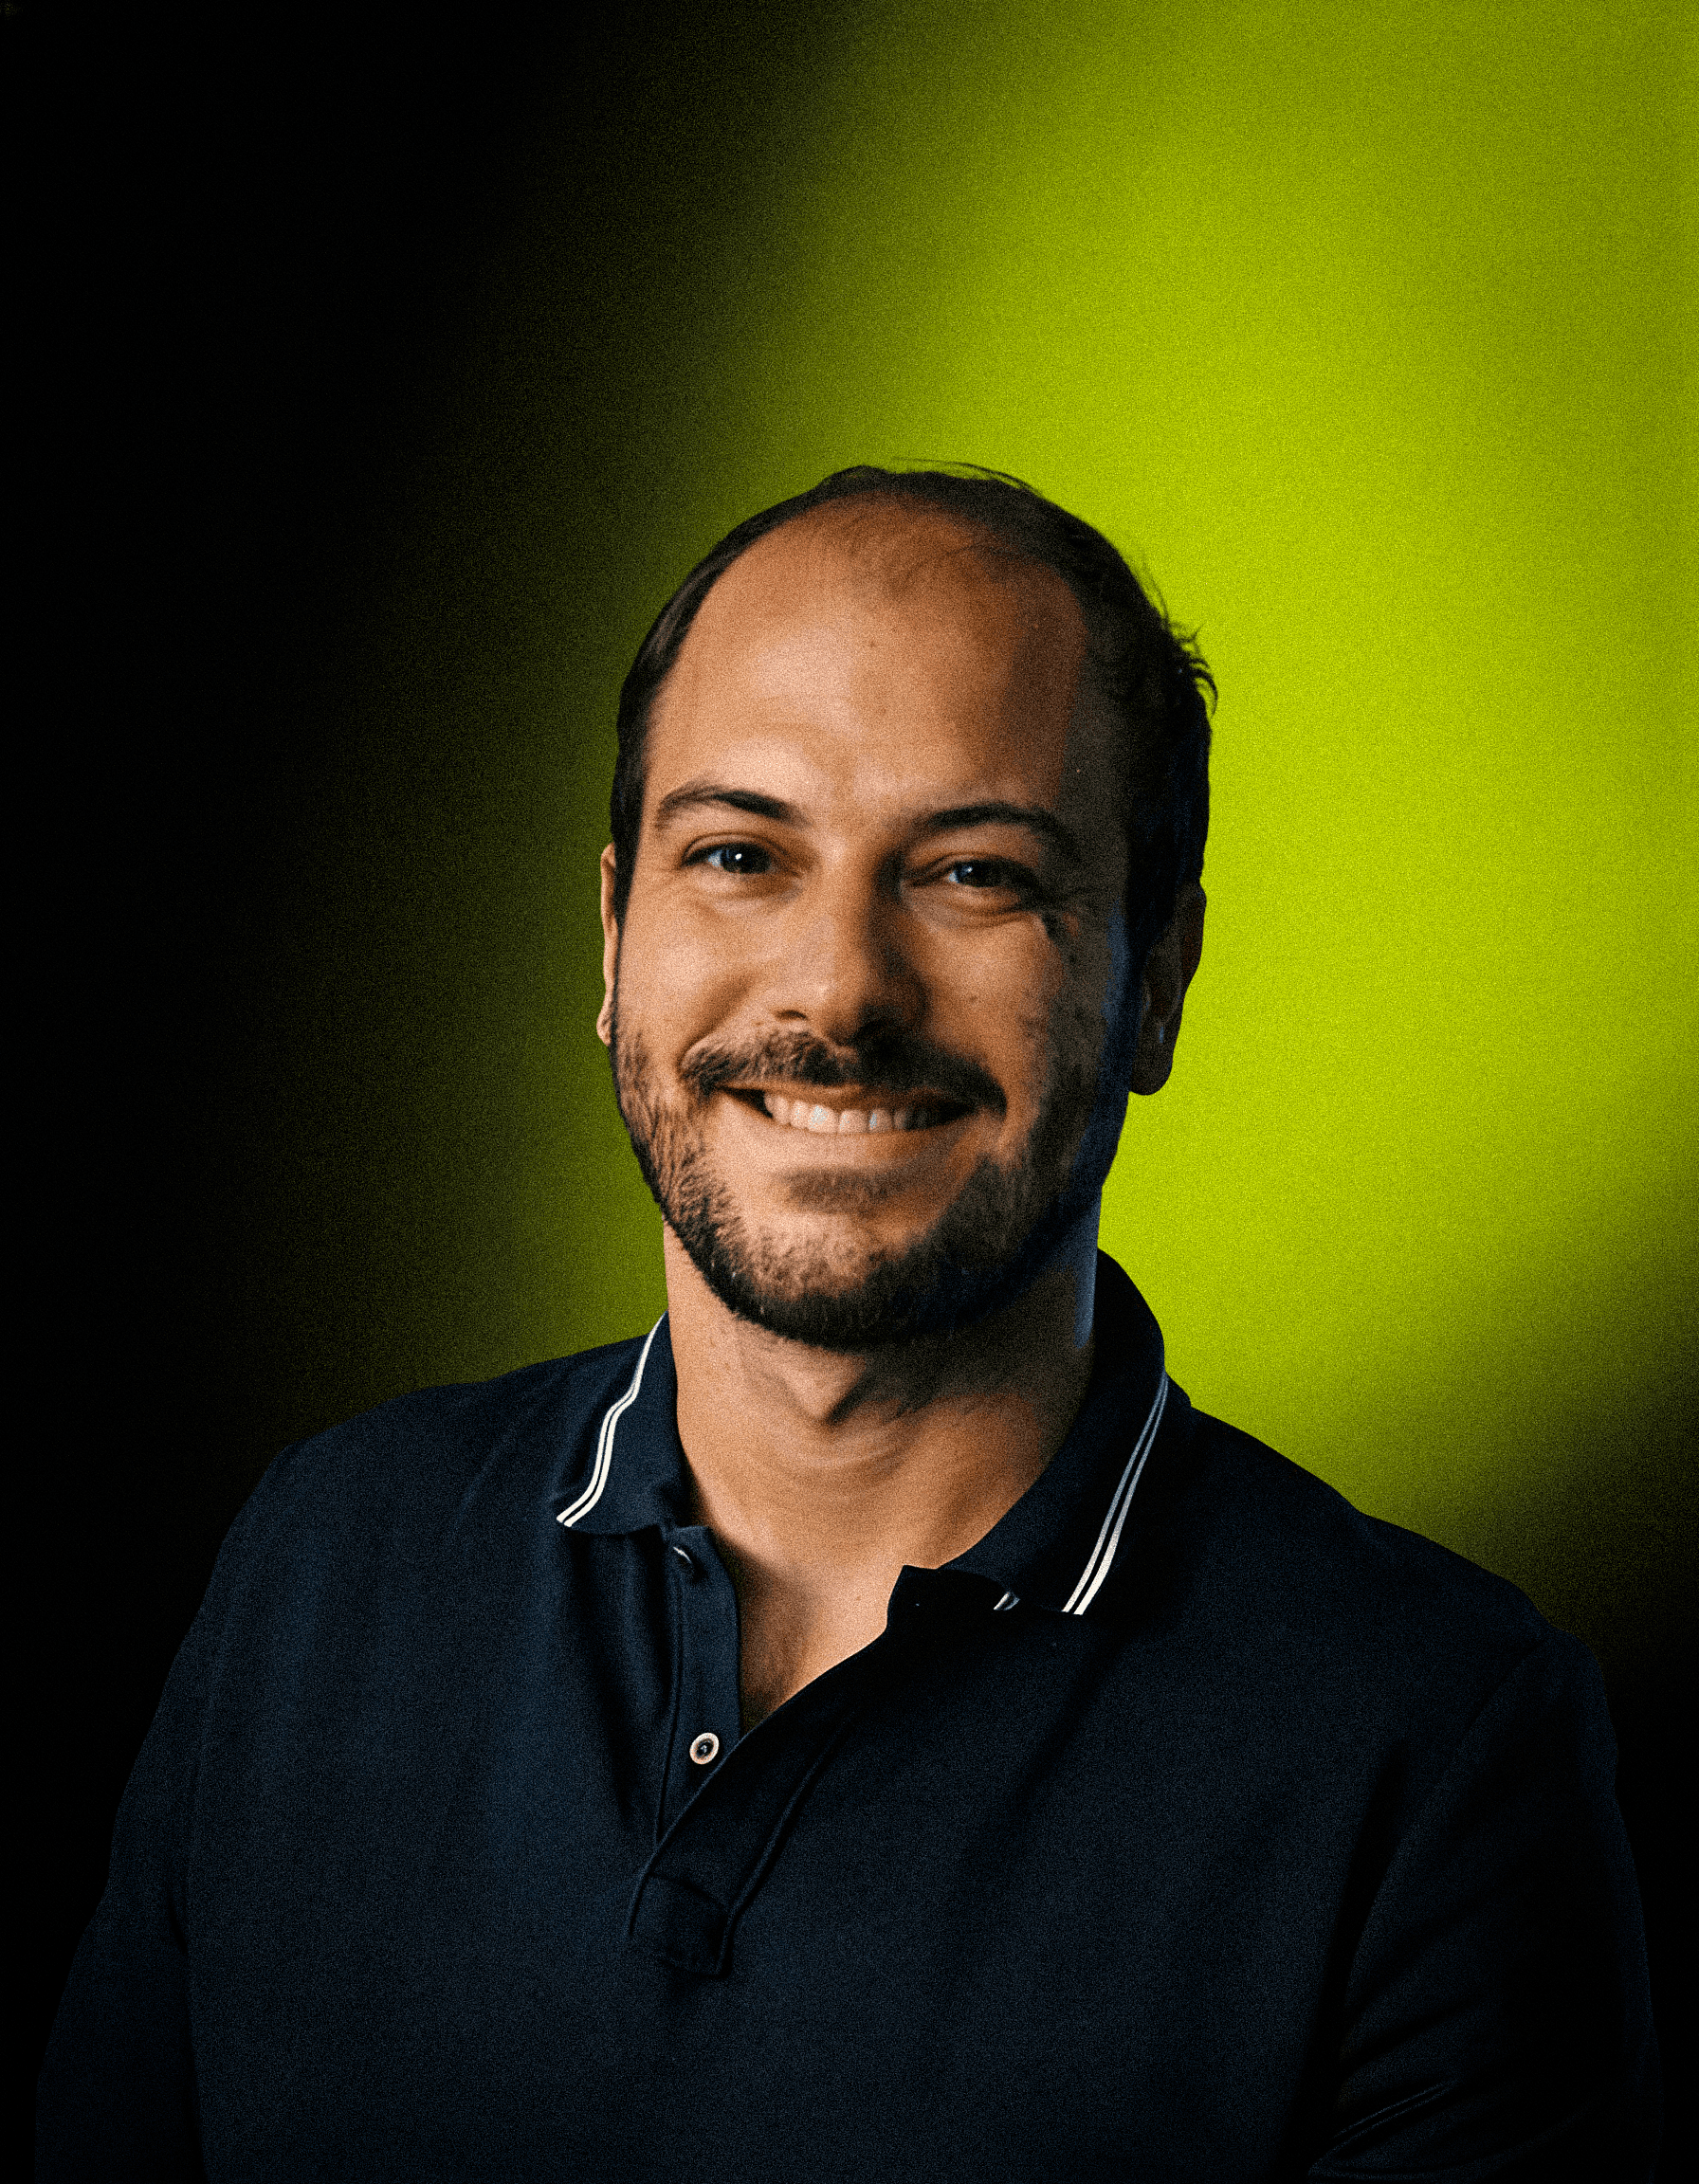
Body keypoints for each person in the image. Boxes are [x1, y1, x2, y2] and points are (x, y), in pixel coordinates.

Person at [39, 466, 1659, 2180]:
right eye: (740, 855)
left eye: (973, 873)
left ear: (1159, 976)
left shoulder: (1437, 1752)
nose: (838, 990)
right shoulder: (322, 1561)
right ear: (614, 935)